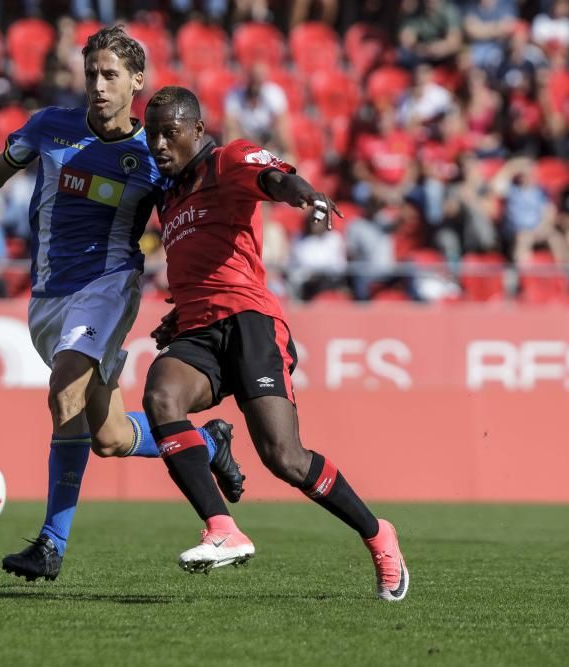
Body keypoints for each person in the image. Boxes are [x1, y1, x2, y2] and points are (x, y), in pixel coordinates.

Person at [0, 26, 244, 581]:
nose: (98, 84)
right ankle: (207, 440)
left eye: (111, 74)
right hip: (47, 296)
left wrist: (189, 300)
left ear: (136, 82)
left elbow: (188, 226)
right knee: (109, 437)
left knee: (65, 385)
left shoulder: (153, 155)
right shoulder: (50, 127)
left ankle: (50, 544)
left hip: (109, 285)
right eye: (92, 72)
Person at [141, 86, 409, 601]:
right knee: (161, 396)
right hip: (198, 327)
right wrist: (179, 313)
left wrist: (304, 195)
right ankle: (223, 527)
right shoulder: (167, 194)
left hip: (250, 322)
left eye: (169, 132)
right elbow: (203, 260)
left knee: (284, 458)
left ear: (197, 130)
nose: (158, 143)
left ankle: (378, 534)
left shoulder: (226, 159)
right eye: (152, 133)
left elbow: (274, 178)